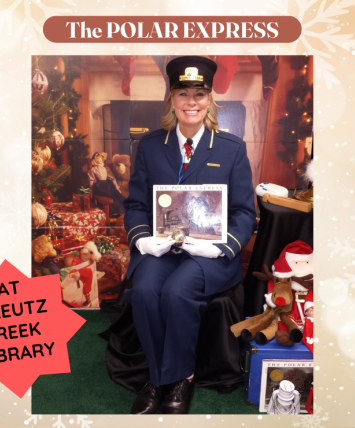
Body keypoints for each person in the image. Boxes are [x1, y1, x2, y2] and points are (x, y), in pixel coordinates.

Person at [123, 56, 257, 414]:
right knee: (146, 289)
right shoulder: (150, 146)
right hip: (162, 248)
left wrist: (222, 247)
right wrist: (141, 240)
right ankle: (157, 377)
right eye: (184, 93)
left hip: (207, 255)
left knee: (177, 291)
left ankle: (180, 378)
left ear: (210, 99)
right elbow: (135, 204)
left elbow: (245, 213)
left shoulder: (230, 149)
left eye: (200, 93)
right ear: (172, 99)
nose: (192, 102)